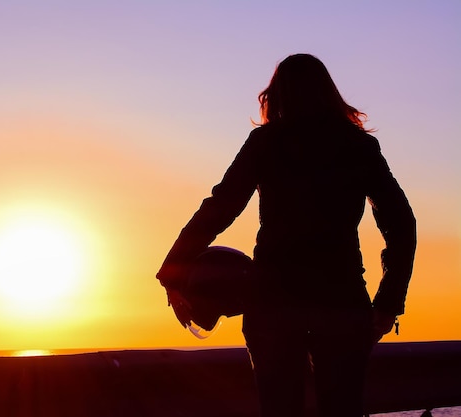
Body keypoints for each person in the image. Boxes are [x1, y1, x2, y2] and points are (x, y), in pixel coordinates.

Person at [156, 53, 417, 417]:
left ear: (276, 96)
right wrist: (389, 301)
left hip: (274, 303)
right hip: (341, 300)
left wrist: (172, 270)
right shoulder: (358, 146)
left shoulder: (265, 142)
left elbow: (220, 207)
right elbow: (401, 224)